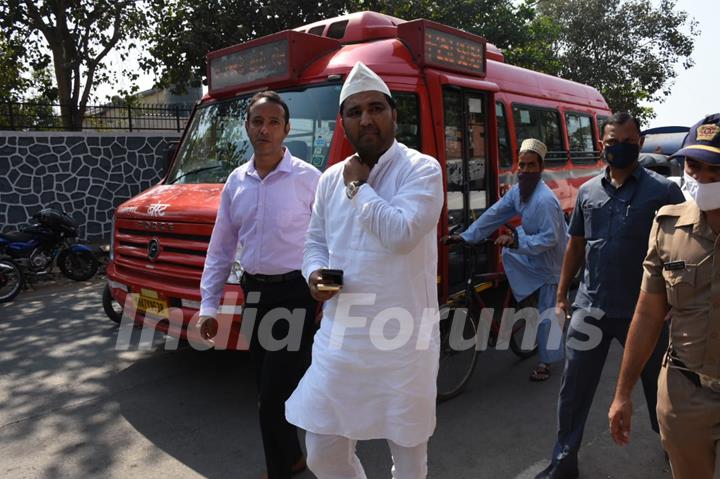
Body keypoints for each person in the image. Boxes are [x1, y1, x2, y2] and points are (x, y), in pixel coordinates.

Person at [284, 61, 444, 478]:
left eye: (375, 108)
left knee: (409, 461)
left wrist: (358, 186)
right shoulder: (329, 179)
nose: (366, 119)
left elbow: (402, 234)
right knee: (322, 452)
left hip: (404, 342)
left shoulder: (422, 170)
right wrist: (315, 273)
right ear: (343, 122)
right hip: (343, 339)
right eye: (354, 112)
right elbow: (315, 241)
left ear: (394, 114)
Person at [535, 112, 685, 479]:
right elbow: (576, 245)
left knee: (660, 391)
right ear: (602, 145)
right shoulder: (588, 191)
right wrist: (560, 293)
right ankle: (563, 462)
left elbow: (684, 245)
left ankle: (676, 454)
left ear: (638, 142)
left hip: (646, 313)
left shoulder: (662, 191)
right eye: (611, 141)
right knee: (573, 392)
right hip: (591, 307)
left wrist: (676, 302)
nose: (618, 147)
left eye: (626, 141)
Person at [197, 90, 321, 479]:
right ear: (247, 126)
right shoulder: (236, 182)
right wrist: (208, 305)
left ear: (286, 129)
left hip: (296, 295)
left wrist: (331, 299)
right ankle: (294, 456)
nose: (264, 129)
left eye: (273, 122)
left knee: (271, 398)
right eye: (257, 121)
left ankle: (279, 470)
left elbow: (333, 241)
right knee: (267, 388)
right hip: (254, 294)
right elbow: (221, 247)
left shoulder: (309, 179)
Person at [608, 113, 720, 479]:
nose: (701, 177)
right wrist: (623, 392)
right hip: (686, 393)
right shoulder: (668, 227)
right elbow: (648, 315)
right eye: (694, 165)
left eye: (714, 168)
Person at [443, 138, 568, 381]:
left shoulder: (545, 200)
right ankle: (522, 293)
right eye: (522, 165)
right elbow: (494, 214)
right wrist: (466, 237)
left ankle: (546, 362)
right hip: (531, 252)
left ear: (540, 168)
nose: (525, 170)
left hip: (551, 260)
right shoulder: (518, 193)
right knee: (507, 252)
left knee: (546, 314)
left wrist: (516, 241)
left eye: (531, 165)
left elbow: (549, 239)